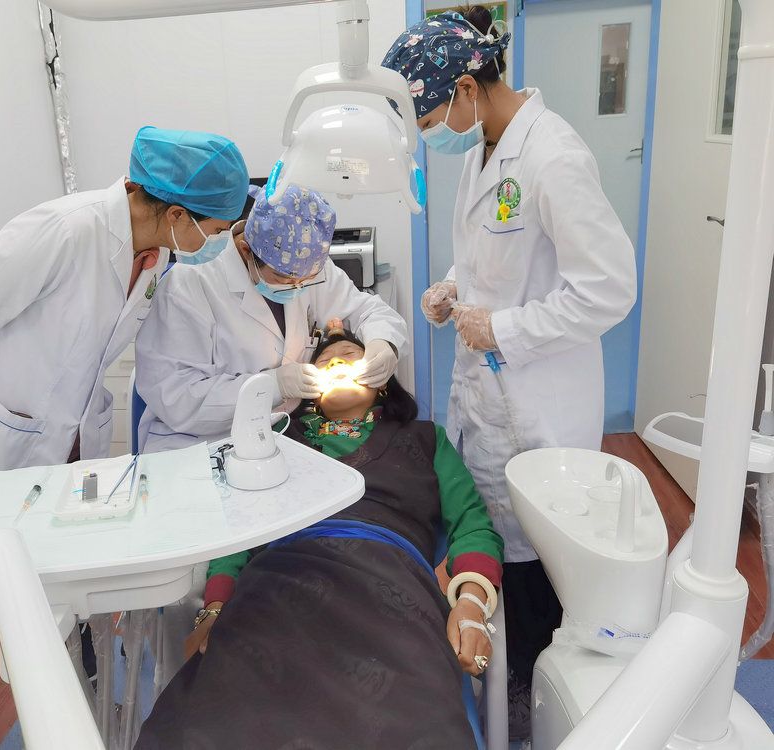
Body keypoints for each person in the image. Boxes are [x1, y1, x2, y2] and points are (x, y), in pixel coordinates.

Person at [0, 125, 249, 750]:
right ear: (177, 214)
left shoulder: (153, 256)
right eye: (216, 231)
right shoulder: (66, 230)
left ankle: (81, 710)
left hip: (65, 448)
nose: (217, 244)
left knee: (63, 590)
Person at [383, 5, 637, 739]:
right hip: (487, 398)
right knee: (500, 546)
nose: (431, 134)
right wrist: (452, 289)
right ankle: (511, 677)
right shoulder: (482, 152)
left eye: (429, 118)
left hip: (537, 405)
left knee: (537, 566)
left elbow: (608, 289)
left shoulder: (553, 157)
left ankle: (538, 697)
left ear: (467, 88)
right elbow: (491, 259)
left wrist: (505, 328)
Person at [135, 324, 504, 750]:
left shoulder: (425, 439)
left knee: (409, 716)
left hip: (390, 586)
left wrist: (472, 605)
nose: (339, 363)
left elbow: (473, 525)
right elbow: (240, 530)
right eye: (326, 362)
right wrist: (214, 607)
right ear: (309, 390)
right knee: (217, 713)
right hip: (278, 581)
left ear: (382, 381)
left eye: (353, 357)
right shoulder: (277, 443)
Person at [135, 185, 408, 678]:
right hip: (196, 449)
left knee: (272, 589)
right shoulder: (192, 285)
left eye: (308, 277)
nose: (299, 286)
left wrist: (384, 342)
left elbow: (368, 310)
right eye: (285, 277)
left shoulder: (304, 266)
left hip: (272, 446)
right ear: (247, 246)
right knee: (197, 592)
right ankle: (186, 685)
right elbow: (175, 395)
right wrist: (269, 385)